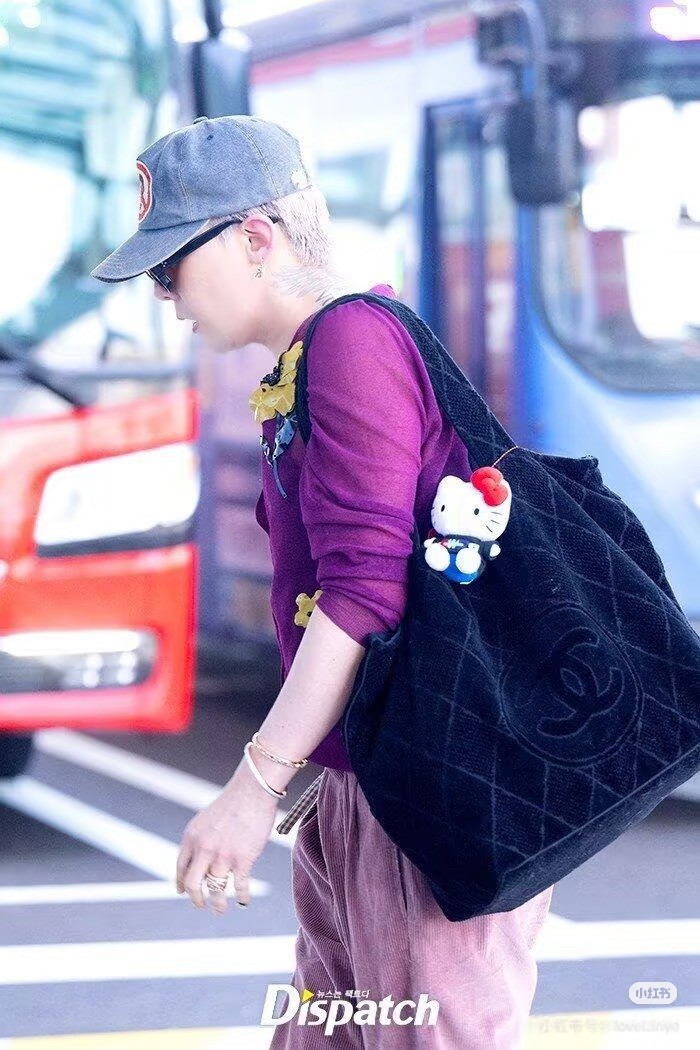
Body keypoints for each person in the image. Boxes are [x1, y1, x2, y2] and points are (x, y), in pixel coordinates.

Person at [91, 114, 554, 1048]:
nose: (166, 298)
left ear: (256, 239)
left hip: (428, 793)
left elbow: (363, 593)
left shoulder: (351, 343)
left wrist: (253, 786)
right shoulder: (314, 358)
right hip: (372, 782)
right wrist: (321, 772)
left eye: (172, 265)